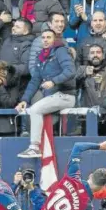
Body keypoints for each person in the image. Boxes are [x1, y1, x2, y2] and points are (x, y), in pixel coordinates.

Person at [16, 29, 76, 158]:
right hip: (53, 96)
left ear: (54, 39)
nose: (45, 40)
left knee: (35, 110)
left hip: (66, 95)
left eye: (49, 37)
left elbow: (71, 71)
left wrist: (53, 81)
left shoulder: (60, 51)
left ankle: (34, 147)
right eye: (43, 37)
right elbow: (35, 80)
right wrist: (24, 100)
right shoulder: (41, 56)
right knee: (34, 109)